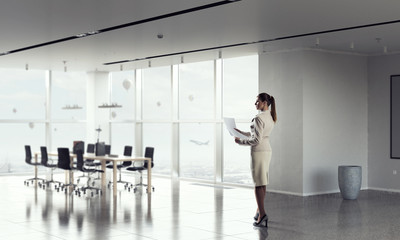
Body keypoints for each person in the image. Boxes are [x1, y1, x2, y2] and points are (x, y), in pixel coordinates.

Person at [234, 92, 277, 227]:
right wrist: (241, 132)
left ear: (264, 103)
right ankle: (259, 211)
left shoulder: (259, 118)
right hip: (267, 150)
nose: (255, 103)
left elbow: (256, 139)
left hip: (258, 152)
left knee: (258, 184)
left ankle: (262, 214)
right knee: (262, 182)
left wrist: (240, 141)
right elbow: (257, 134)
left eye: (257, 101)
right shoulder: (270, 116)